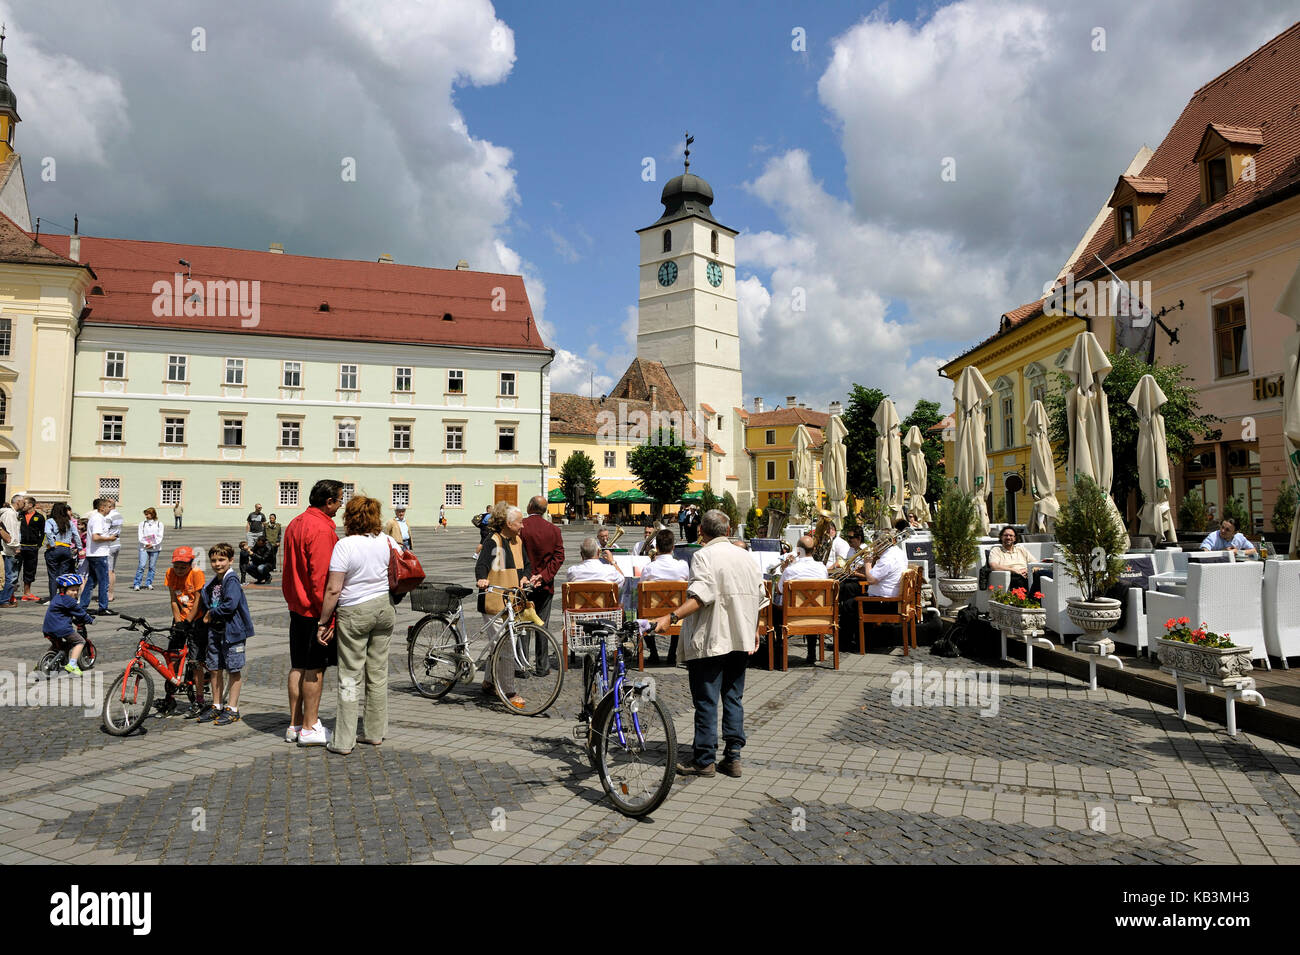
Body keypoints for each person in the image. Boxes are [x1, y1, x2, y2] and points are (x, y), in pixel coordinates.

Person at [652, 509, 761, 779]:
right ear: (727, 530)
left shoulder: (703, 556)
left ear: (701, 531)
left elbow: (702, 595)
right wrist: (756, 627)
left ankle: (704, 760)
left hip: (713, 638)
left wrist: (671, 616)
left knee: (707, 700)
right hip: (741, 637)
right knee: (734, 698)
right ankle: (733, 757)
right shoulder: (746, 557)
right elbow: (760, 596)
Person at [314, 495, 398, 754]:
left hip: (355, 611)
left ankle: (344, 739)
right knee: (378, 673)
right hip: (385, 609)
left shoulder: (345, 545)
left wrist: (323, 621)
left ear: (349, 517)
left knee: (350, 676)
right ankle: (374, 732)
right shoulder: (388, 540)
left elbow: (333, 589)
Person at [282, 479, 343, 746]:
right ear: (328, 501)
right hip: (313, 610)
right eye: (339, 500)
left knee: (298, 665)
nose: (340, 506)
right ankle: (310, 726)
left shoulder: (296, 522)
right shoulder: (321, 529)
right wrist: (327, 617)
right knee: (314, 669)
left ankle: (295, 724)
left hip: (297, 606)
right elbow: (321, 578)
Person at [475, 505, 540, 710]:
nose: (522, 525)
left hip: (512, 601)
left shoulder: (518, 541)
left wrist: (525, 576)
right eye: (519, 522)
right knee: (505, 646)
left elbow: (526, 565)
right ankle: (509, 691)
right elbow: (482, 564)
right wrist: (482, 579)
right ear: (507, 523)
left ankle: (489, 682)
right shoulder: (493, 540)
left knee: (499, 644)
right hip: (494, 600)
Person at [199, 543, 253, 726]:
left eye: (221, 560)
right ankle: (216, 705)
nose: (217, 563)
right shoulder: (214, 582)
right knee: (214, 668)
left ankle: (232, 708)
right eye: (213, 560)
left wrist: (211, 614)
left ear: (230, 560)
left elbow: (230, 605)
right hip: (215, 631)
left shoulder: (231, 580)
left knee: (233, 670)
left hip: (233, 632)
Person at [163, 546, 209, 719]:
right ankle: (170, 697)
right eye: (177, 566)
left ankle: (199, 700)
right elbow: (173, 599)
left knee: (196, 661)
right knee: (172, 657)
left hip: (196, 619)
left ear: (191, 564)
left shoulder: (196, 573)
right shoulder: (170, 573)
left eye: (183, 567)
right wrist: (178, 622)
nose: (179, 570)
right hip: (181, 619)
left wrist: (189, 621)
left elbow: (198, 600)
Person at [776, 533, 831, 665]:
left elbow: (779, 590)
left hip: (792, 617)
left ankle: (778, 652)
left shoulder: (791, 570)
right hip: (818, 616)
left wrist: (785, 568)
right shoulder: (822, 567)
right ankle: (811, 653)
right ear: (814, 550)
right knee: (810, 607)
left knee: (774, 612)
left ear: (798, 550)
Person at [641, 529, 689, 665]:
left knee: (641, 611)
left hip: (653, 613)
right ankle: (672, 653)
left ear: (656, 548)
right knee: (682, 609)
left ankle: (653, 652)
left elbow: (641, 587)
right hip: (676, 614)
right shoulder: (682, 566)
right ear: (673, 547)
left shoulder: (649, 568)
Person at [520, 494, 564, 630]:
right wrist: (543, 576)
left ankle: (524, 652)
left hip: (523, 582)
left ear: (530, 506)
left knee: (523, 625)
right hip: (545, 584)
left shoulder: (521, 527)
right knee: (543, 625)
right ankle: (542, 652)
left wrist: (528, 575)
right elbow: (559, 557)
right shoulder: (554, 530)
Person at [43, 574, 94, 675]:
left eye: (77, 590)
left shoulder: (57, 598)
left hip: (48, 628)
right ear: (63, 590)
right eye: (72, 590)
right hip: (61, 629)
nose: (75, 593)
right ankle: (72, 664)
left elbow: (65, 612)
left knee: (56, 645)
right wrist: (90, 620)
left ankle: (43, 662)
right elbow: (80, 612)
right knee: (80, 641)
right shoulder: (69, 601)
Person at [79, 498, 116, 615]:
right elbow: (96, 537)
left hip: (94, 553)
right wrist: (110, 538)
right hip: (98, 554)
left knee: (91, 581)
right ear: (102, 508)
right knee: (103, 581)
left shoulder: (96, 518)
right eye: (108, 507)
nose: (110, 509)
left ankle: (82, 606)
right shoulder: (98, 519)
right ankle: (103, 607)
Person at [43, 503, 83, 600]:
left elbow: (48, 532)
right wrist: (80, 548)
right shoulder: (69, 522)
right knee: (64, 574)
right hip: (66, 549)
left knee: (52, 575)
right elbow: (76, 535)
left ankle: (53, 598)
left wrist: (52, 544)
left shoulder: (50, 521)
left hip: (54, 549)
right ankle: (63, 595)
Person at [988, 526, 1033, 591]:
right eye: (1006, 535)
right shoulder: (996, 550)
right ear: (1001, 537)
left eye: (1011, 535)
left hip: (1026, 574)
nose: (1008, 537)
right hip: (1012, 576)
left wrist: (1027, 570)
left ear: (1015, 538)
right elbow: (994, 566)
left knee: (1044, 573)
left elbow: (1035, 563)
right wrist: (1014, 570)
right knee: (1019, 579)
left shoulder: (1021, 549)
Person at [18, 495, 45, 602]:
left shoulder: (39, 517)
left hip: (32, 547)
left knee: (30, 570)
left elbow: (43, 533)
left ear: (31, 505)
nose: (22, 505)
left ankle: (27, 593)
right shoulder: (19, 515)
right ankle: (10, 593)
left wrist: (38, 545)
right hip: (19, 547)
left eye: (24, 503)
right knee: (15, 570)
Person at [133, 507, 165, 590]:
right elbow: (140, 535)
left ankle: (149, 583)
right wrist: (147, 543)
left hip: (155, 548)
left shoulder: (159, 524)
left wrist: (153, 544)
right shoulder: (142, 524)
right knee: (142, 565)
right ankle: (137, 583)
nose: (146, 516)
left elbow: (160, 536)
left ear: (153, 514)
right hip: (144, 547)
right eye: (146, 514)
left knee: (152, 566)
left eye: (148, 514)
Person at [0, 495, 20, 606]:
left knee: (10, 576)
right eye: (24, 502)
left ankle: (6, 598)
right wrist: (15, 546)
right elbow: (10, 533)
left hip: (9, 549)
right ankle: (4, 600)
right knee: (11, 576)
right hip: (9, 550)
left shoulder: (12, 514)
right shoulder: (10, 514)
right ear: (18, 502)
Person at [105, 501, 124, 602]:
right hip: (117, 542)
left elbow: (105, 531)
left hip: (109, 544)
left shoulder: (109, 517)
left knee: (108, 571)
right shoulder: (119, 515)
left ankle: (108, 594)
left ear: (109, 506)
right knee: (112, 571)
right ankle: (111, 593)